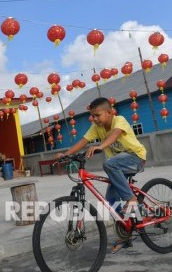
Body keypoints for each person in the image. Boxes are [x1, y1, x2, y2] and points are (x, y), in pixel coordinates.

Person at [58, 97, 147, 253]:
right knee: (111, 202)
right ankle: (126, 234)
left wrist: (100, 146)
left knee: (109, 163)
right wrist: (65, 155)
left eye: (98, 115)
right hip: (119, 166)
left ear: (109, 112)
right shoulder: (95, 127)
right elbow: (83, 141)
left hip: (135, 158)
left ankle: (132, 199)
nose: (95, 119)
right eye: (93, 116)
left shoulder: (119, 120)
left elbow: (115, 135)